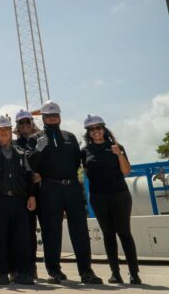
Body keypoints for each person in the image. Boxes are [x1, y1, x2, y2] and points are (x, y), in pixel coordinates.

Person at [27, 101, 102, 285]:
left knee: (80, 231)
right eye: (48, 116)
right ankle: (54, 271)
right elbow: (31, 164)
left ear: (60, 117)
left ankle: (86, 272)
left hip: (72, 188)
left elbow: (77, 161)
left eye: (55, 115)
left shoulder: (70, 137)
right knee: (51, 232)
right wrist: (38, 149)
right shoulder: (35, 138)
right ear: (43, 118)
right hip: (49, 188)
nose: (52, 119)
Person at [82, 114, 140, 284]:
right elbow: (86, 172)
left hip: (119, 195)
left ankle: (134, 273)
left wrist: (119, 154)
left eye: (98, 128)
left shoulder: (116, 146)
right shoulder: (85, 151)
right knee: (108, 234)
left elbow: (126, 171)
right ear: (88, 132)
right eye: (92, 129)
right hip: (98, 197)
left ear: (104, 128)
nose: (96, 131)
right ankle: (115, 273)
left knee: (124, 233)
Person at [0, 115, 36, 285]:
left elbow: (28, 175)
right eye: (0, 130)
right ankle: (2, 272)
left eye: (6, 129)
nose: (3, 133)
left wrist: (32, 195)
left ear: (11, 131)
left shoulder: (21, 152)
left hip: (19, 200)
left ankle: (23, 272)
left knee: (21, 239)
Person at [14, 109, 40, 279]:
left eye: (27, 123)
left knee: (36, 233)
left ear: (32, 124)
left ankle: (34, 265)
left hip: (43, 191)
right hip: (24, 193)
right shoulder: (15, 145)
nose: (24, 126)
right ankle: (24, 266)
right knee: (24, 232)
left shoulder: (40, 141)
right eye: (21, 123)